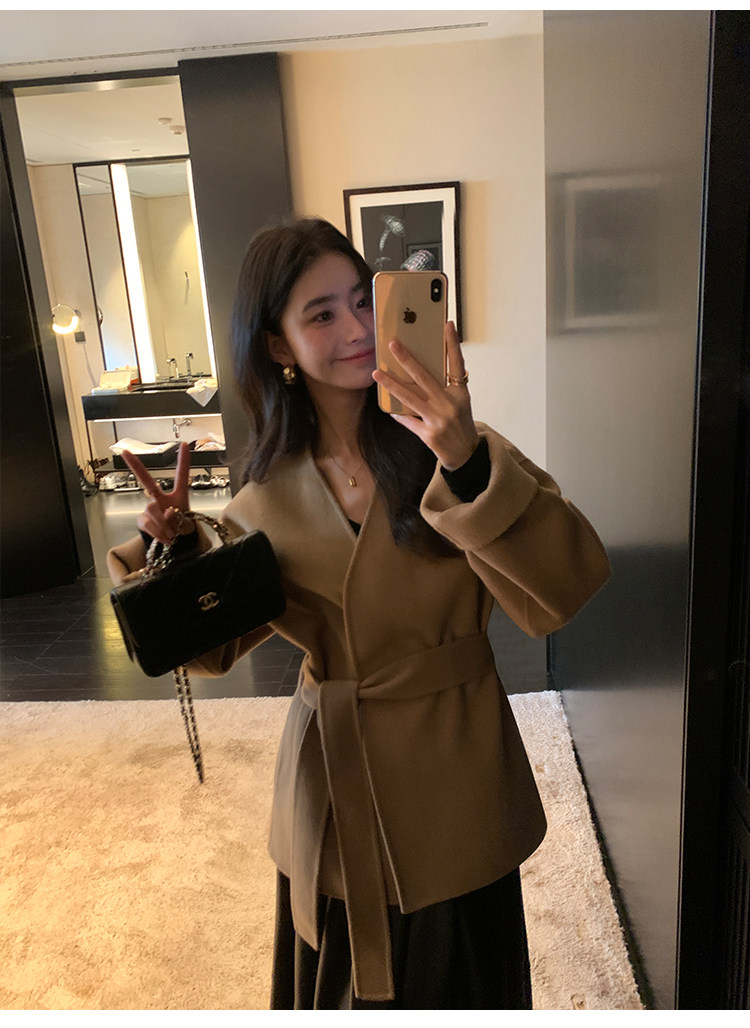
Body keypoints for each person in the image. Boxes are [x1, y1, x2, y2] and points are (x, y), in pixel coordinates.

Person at [108, 217, 611, 1010]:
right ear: (278, 346)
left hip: (456, 774)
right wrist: (170, 552)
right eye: (321, 314)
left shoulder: (459, 445)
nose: (355, 328)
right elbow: (204, 651)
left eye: (362, 301)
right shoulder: (261, 500)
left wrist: (465, 462)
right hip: (335, 788)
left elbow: (565, 587)